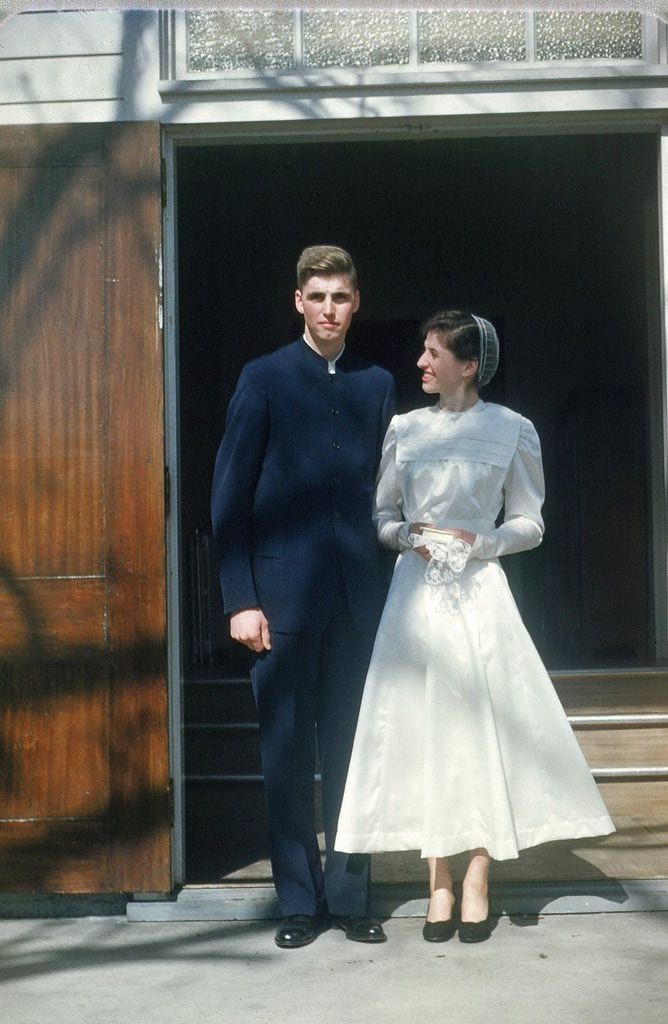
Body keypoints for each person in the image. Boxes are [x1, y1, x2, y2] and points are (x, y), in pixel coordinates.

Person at [335, 310, 615, 943]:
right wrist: (409, 535)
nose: (421, 364)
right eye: (423, 353)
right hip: (416, 597)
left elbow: (531, 522)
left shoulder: (512, 430)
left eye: (434, 355)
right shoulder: (405, 430)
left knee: (481, 727)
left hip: (480, 594)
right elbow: (380, 515)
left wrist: (481, 541)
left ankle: (479, 874)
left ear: (469, 366)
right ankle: (437, 877)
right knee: (426, 728)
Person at [211, 245, 396, 948]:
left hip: (358, 602)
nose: (328, 309)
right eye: (316, 296)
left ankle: (351, 900)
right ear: (298, 301)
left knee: (354, 751)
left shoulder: (377, 383)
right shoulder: (263, 379)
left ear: (356, 302)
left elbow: (386, 492)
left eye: (340, 297)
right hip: (278, 604)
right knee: (286, 754)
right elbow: (228, 497)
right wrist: (239, 598)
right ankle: (297, 902)